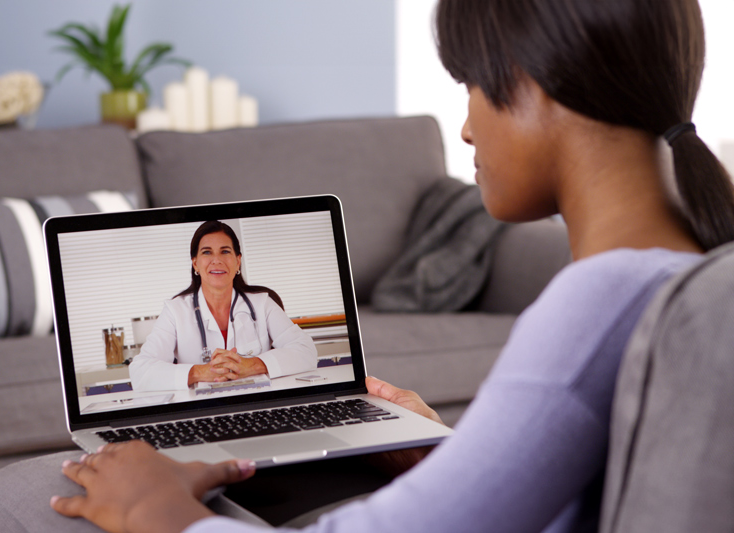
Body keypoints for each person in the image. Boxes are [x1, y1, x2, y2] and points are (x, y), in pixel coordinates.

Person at [50, 0, 734, 531]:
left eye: (469, 84)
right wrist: (453, 457)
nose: (466, 127)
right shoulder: (690, 271)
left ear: (534, 82)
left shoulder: (601, 298)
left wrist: (156, 507)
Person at [129, 220, 317, 391]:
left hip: (258, 404)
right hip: (201, 412)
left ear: (237, 262)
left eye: (225, 251)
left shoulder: (262, 303)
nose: (216, 260)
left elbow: (306, 351)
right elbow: (140, 371)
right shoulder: (175, 311)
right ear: (195, 264)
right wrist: (200, 372)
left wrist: (252, 365)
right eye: (207, 252)